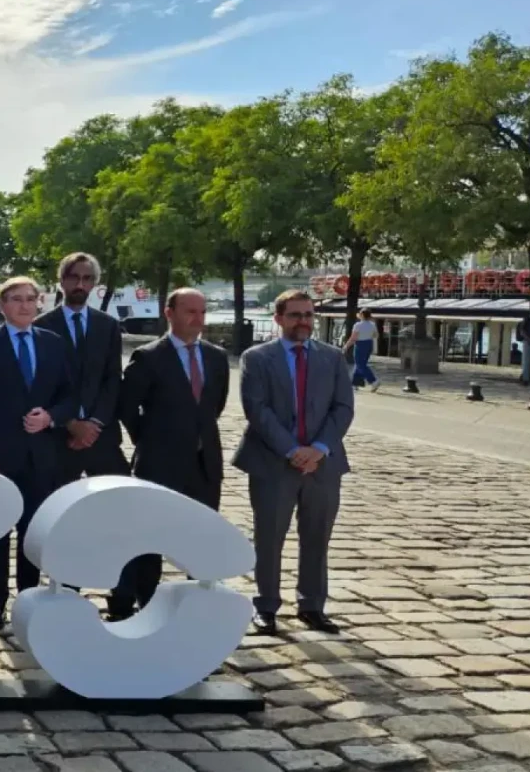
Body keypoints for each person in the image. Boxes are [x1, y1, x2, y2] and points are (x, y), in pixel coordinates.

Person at [233, 290, 355, 636]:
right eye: (295, 315)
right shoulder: (257, 358)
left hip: (323, 465)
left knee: (317, 537)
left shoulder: (332, 358)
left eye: (308, 315)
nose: (303, 321)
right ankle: (266, 606)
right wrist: (292, 451)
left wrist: (318, 449)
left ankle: (312, 605)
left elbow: (343, 408)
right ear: (278, 318)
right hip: (272, 462)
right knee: (269, 537)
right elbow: (257, 410)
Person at [0, 276, 77, 631]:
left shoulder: (54, 344)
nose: (25, 305)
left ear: (39, 302)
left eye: (31, 298)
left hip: (42, 455)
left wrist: (51, 417)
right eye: (16, 299)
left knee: (33, 530)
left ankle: (28, 598)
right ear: (2, 305)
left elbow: (70, 396)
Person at [109, 288, 229, 620]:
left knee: (201, 539)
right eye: (190, 311)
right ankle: (146, 604)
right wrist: (150, 439)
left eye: (202, 312)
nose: (197, 319)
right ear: (169, 313)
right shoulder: (149, 357)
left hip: (204, 465)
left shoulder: (216, 357)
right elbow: (127, 406)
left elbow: (214, 406)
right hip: (159, 464)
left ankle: (199, 605)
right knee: (150, 539)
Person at [34, 253, 130, 489]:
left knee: (120, 502)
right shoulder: (40, 326)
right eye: (74, 277)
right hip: (57, 438)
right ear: (61, 280)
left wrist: (93, 424)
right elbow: (40, 385)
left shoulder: (108, 325)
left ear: (94, 283)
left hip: (101, 435)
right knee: (55, 505)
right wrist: (70, 423)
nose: (80, 284)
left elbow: (112, 379)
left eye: (87, 278)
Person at [340, 308, 380, 392]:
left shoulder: (358, 325)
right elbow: (376, 335)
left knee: (360, 364)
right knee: (360, 364)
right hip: (369, 344)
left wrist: (346, 346)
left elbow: (353, 338)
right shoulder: (372, 324)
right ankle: (355, 383)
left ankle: (373, 381)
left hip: (360, 345)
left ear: (362, 315)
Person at [516, 311, 530, 387]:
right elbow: (522, 332)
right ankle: (525, 379)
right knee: (526, 361)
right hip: (528, 342)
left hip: (528, 342)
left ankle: (527, 378)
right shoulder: (527, 320)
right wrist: (529, 340)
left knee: (527, 361)